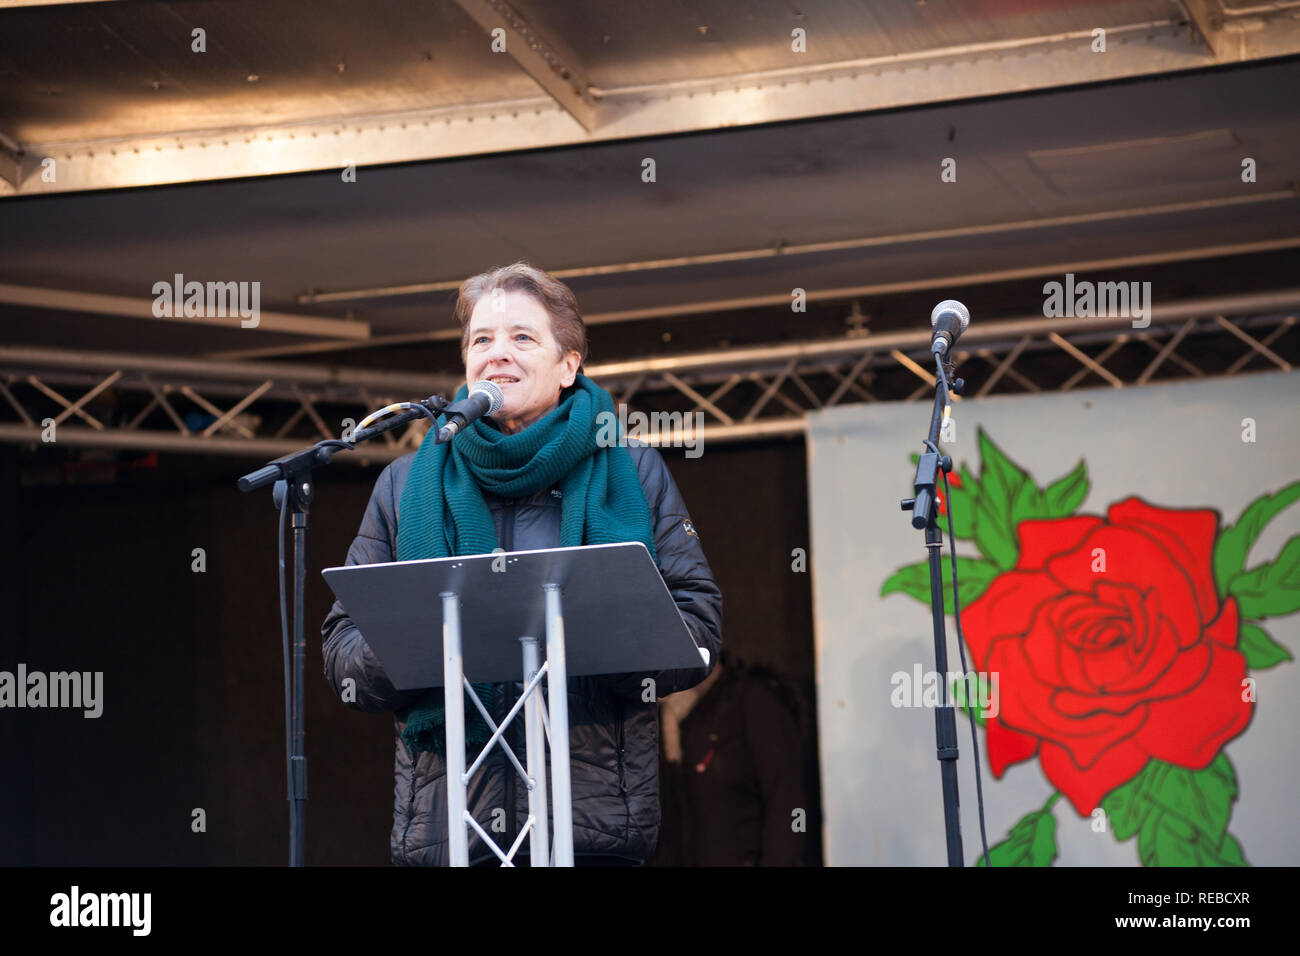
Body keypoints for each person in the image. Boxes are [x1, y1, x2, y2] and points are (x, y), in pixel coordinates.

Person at [321, 261, 724, 866]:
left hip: (588, 831)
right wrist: (416, 642)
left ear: (569, 365)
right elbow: (342, 647)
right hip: (449, 830)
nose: (496, 354)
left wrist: (595, 637)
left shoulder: (632, 469)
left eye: (522, 338)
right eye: (481, 339)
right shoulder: (405, 485)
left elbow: (698, 629)